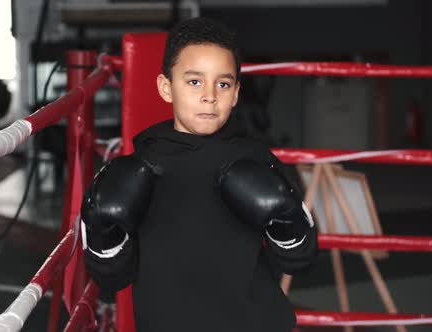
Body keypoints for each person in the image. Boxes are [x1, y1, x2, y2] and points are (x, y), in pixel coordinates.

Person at [82, 17, 318, 332]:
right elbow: (112, 276)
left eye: (223, 83)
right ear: (166, 88)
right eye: (194, 81)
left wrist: (283, 220)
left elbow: (300, 259)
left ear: (235, 93)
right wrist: (105, 233)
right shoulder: (139, 168)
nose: (210, 96)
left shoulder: (257, 159)